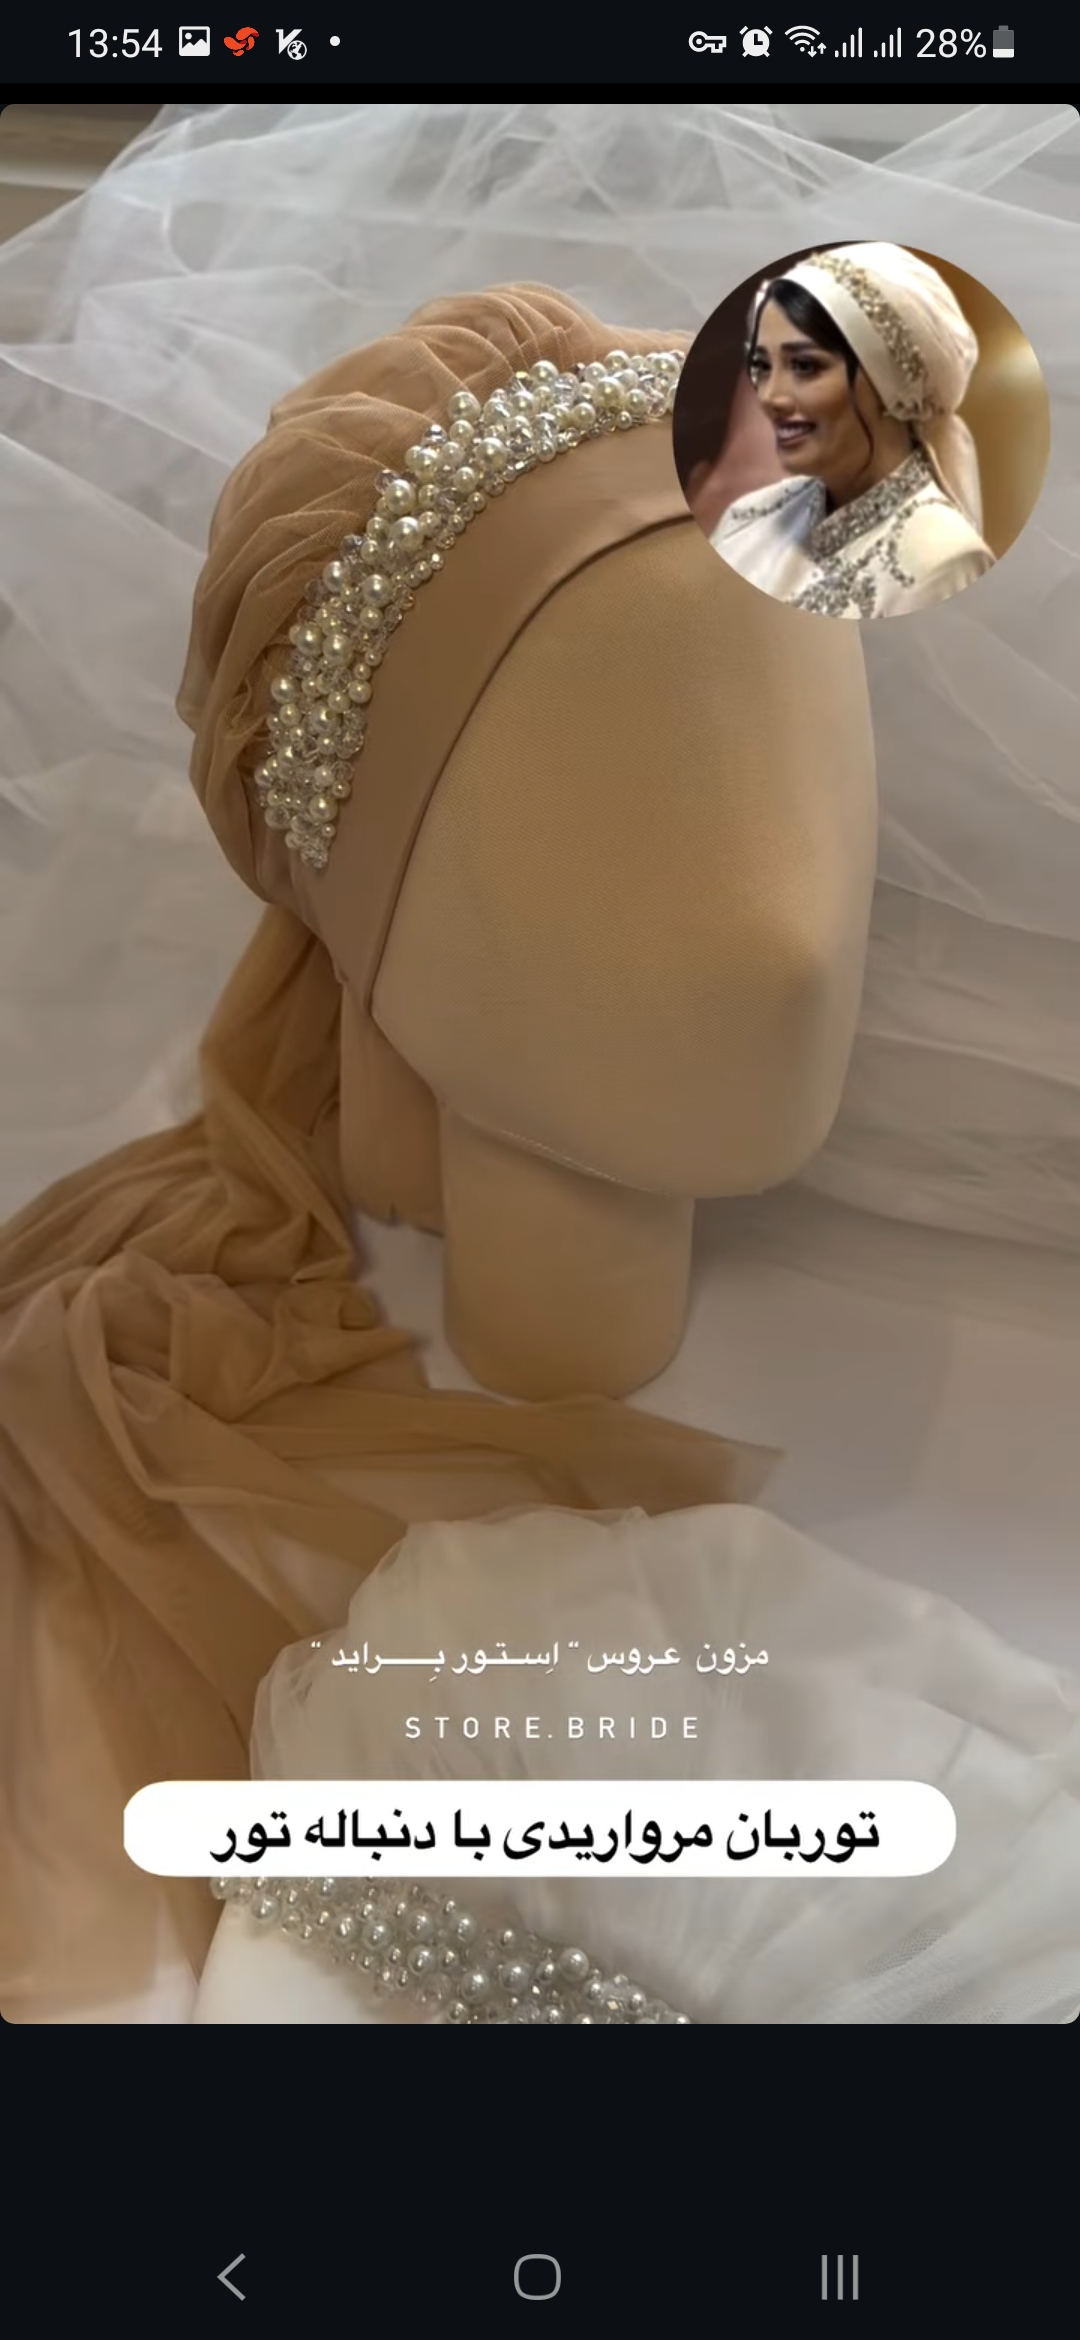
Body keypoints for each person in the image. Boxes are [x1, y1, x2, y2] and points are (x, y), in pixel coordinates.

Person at [711, 243, 995, 618]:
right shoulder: (747, 517)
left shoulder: (941, 561)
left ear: (891, 383)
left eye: (805, 366)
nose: (769, 396)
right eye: (762, 367)